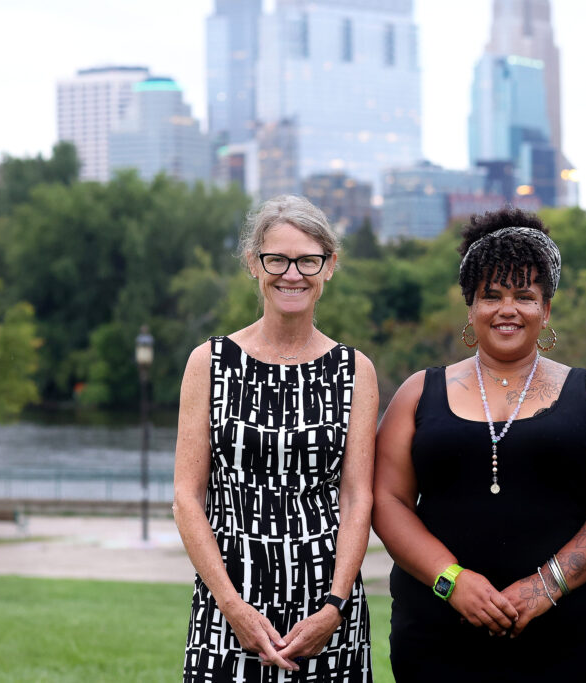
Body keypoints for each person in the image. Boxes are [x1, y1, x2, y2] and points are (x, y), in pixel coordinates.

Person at [372, 208, 586, 682]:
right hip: (438, 631)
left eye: (525, 295)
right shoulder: (418, 391)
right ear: (470, 306)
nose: (507, 309)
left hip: (568, 631)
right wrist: (451, 581)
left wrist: (547, 585)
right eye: (490, 295)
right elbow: (388, 500)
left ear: (547, 308)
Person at [173, 195, 377, 682]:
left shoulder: (355, 370)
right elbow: (186, 497)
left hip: (327, 610)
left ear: (329, 267)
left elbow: (356, 496)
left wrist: (334, 606)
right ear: (253, 264)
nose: (292, 274)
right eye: (277, 259)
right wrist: (232, 606)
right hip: (228, 604)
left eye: (308, 260)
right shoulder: (210, 362)